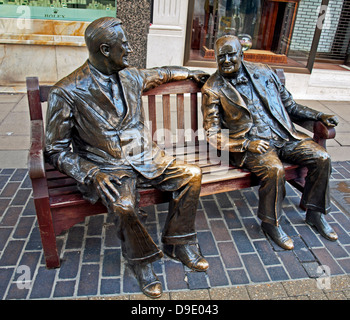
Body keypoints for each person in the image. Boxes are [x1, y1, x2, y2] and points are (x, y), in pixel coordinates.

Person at [45, 17, 209, 299]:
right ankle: (142, 263)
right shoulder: (67, 91)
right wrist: (91, 173)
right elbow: (54, 149)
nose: (130, 49)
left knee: (192, 175)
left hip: (146, 157)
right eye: (124, 45)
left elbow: (162, 73)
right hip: (106, 167)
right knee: (124, 205)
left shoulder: (131, 76)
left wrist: (192, 72)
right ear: (106, 50)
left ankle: (179, 243)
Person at [201, 35, 339, 250]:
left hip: (285, 136)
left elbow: (291, 107)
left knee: (321, 157)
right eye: (221, 57)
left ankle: (315, 213)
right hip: (252, 144)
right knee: (274, 170)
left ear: (241, 55)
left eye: (231, 55)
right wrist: (245, 145)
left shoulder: (264, 72)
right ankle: (271, 223)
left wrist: (318, 115)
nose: (226, 60)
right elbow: (212, 133)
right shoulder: (212, 88)